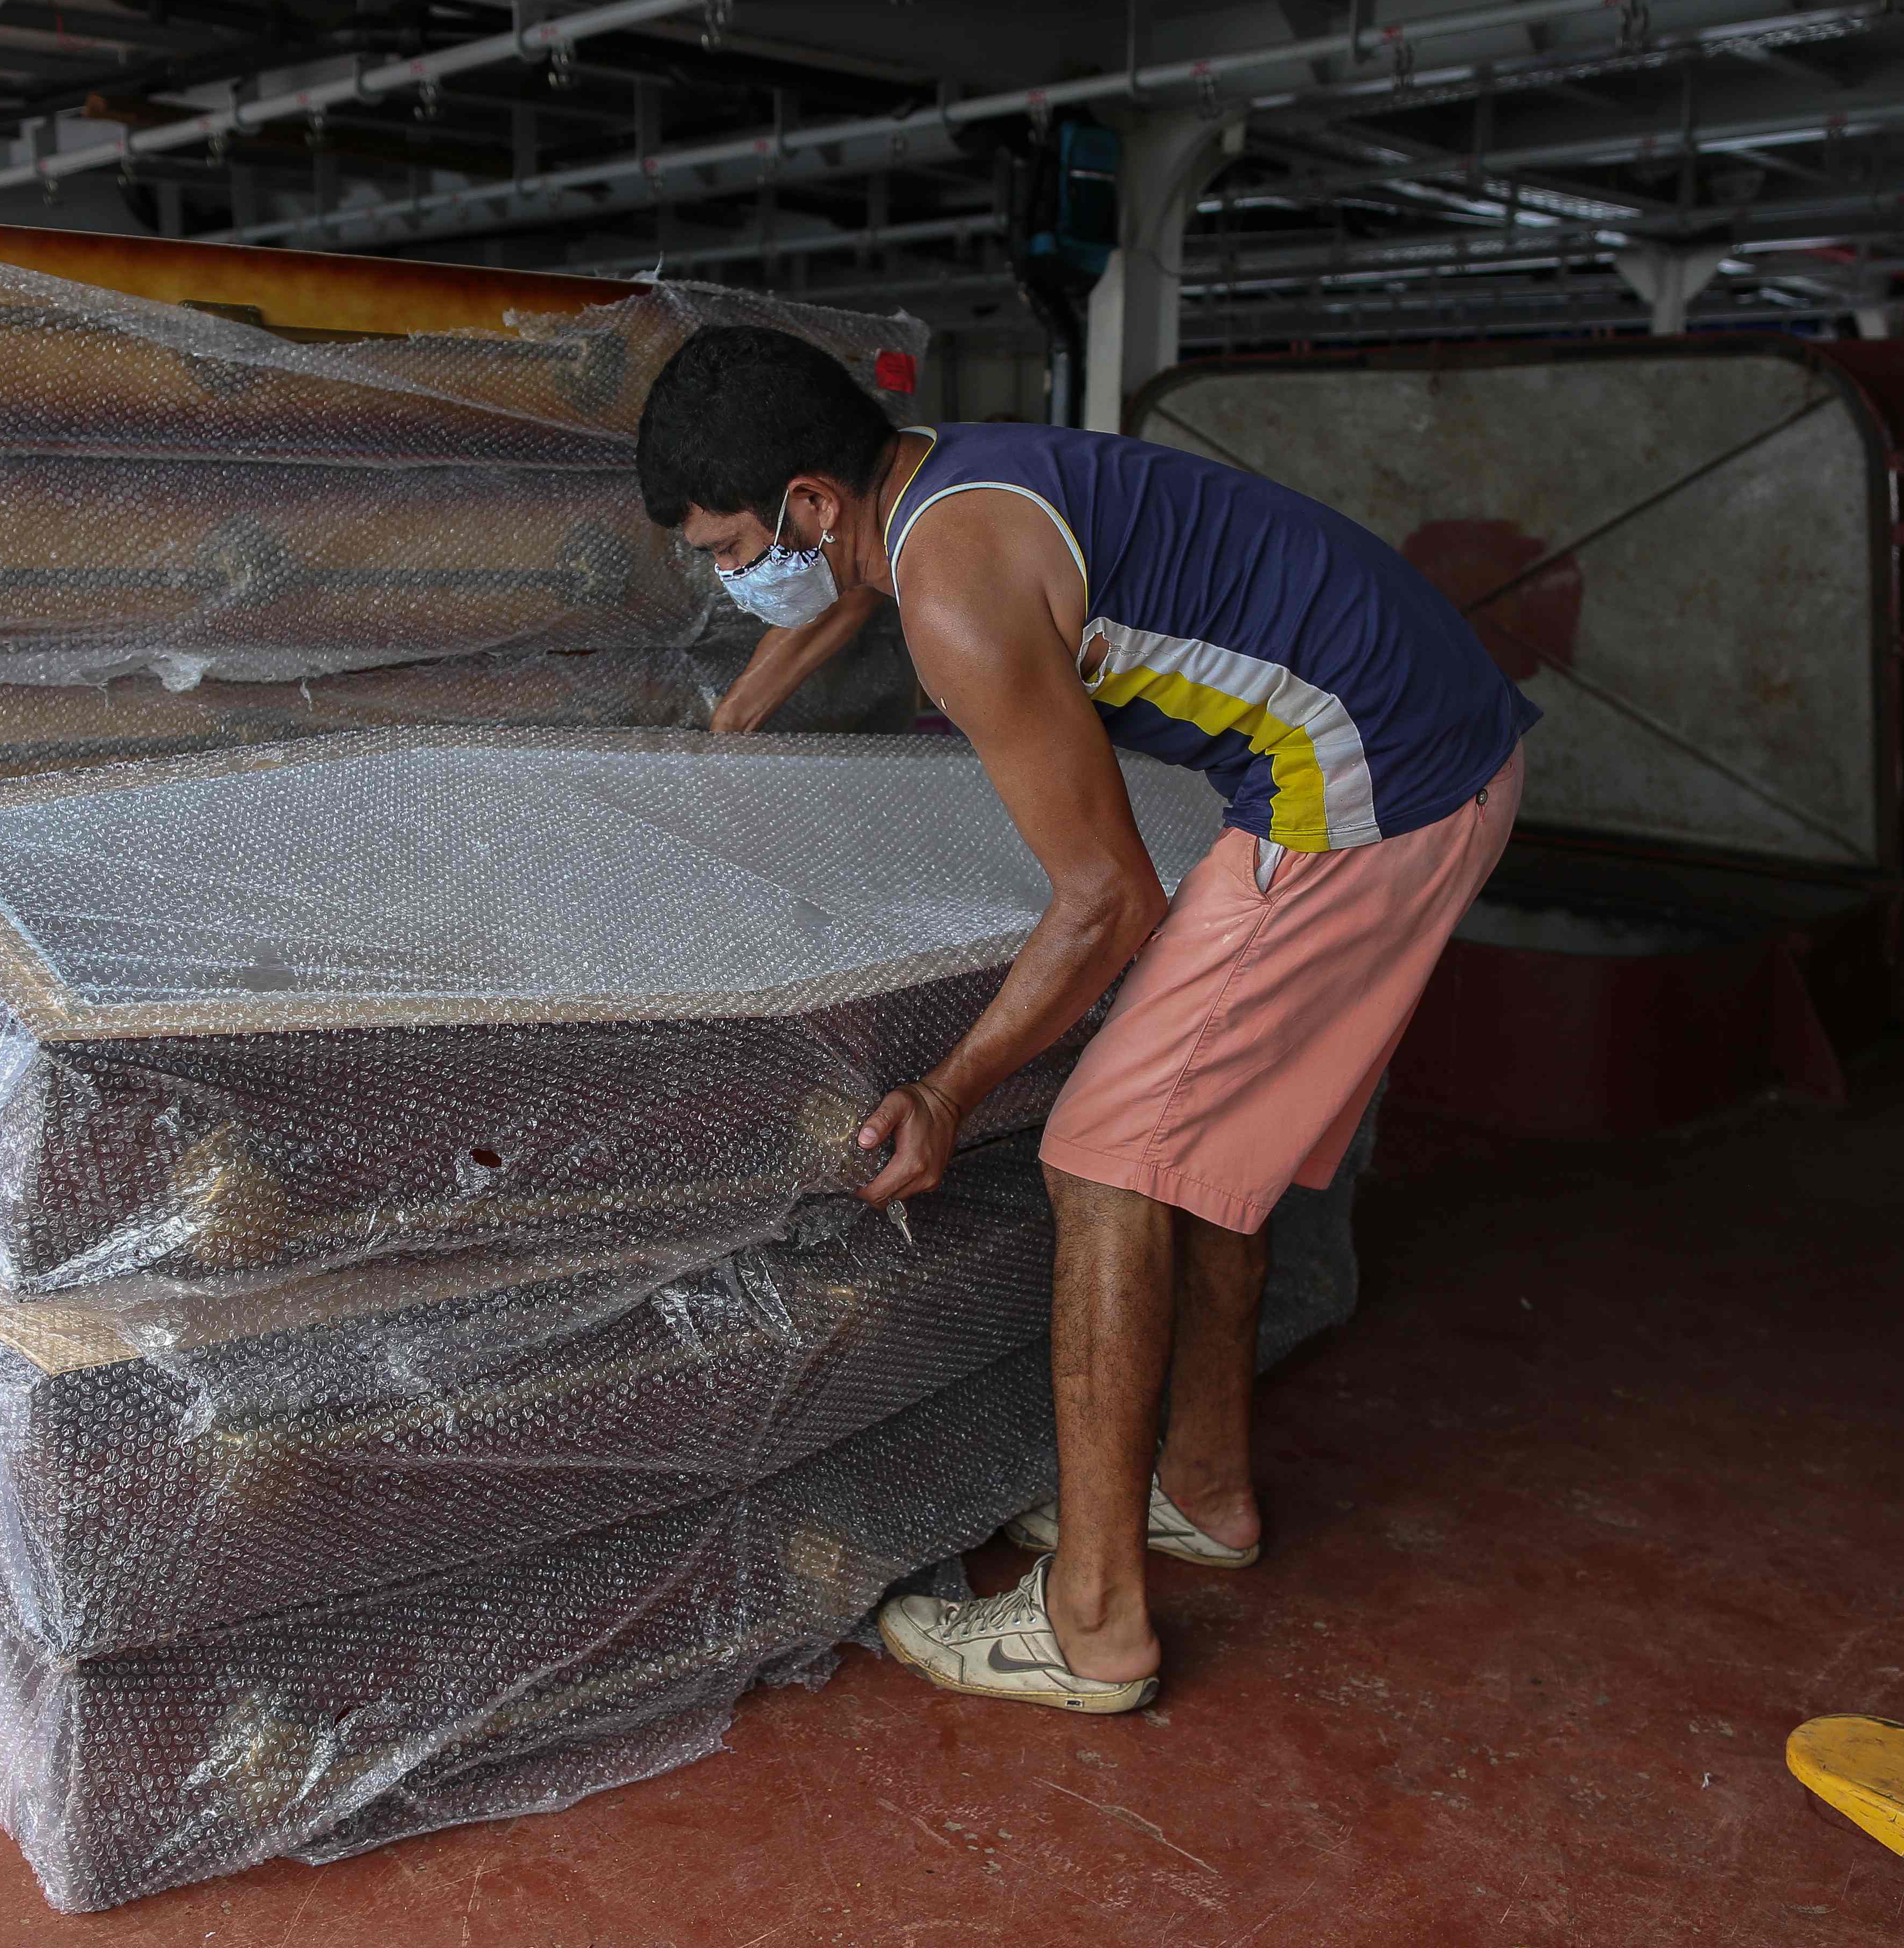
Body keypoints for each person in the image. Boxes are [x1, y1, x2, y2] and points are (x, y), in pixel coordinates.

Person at [636, 327, 1539, 1715]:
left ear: (813, 505)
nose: (729, 572)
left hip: (1370, 784)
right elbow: (858, 588)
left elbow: (1105, 899)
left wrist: (948, 1086)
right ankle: (1205, 1487)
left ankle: (1096, 1624)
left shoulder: (954, 595)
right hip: (1432, 731)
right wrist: (737, 723)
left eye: (731, 544)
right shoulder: (945, 478)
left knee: (1107, 1155)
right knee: (1205, 1143)